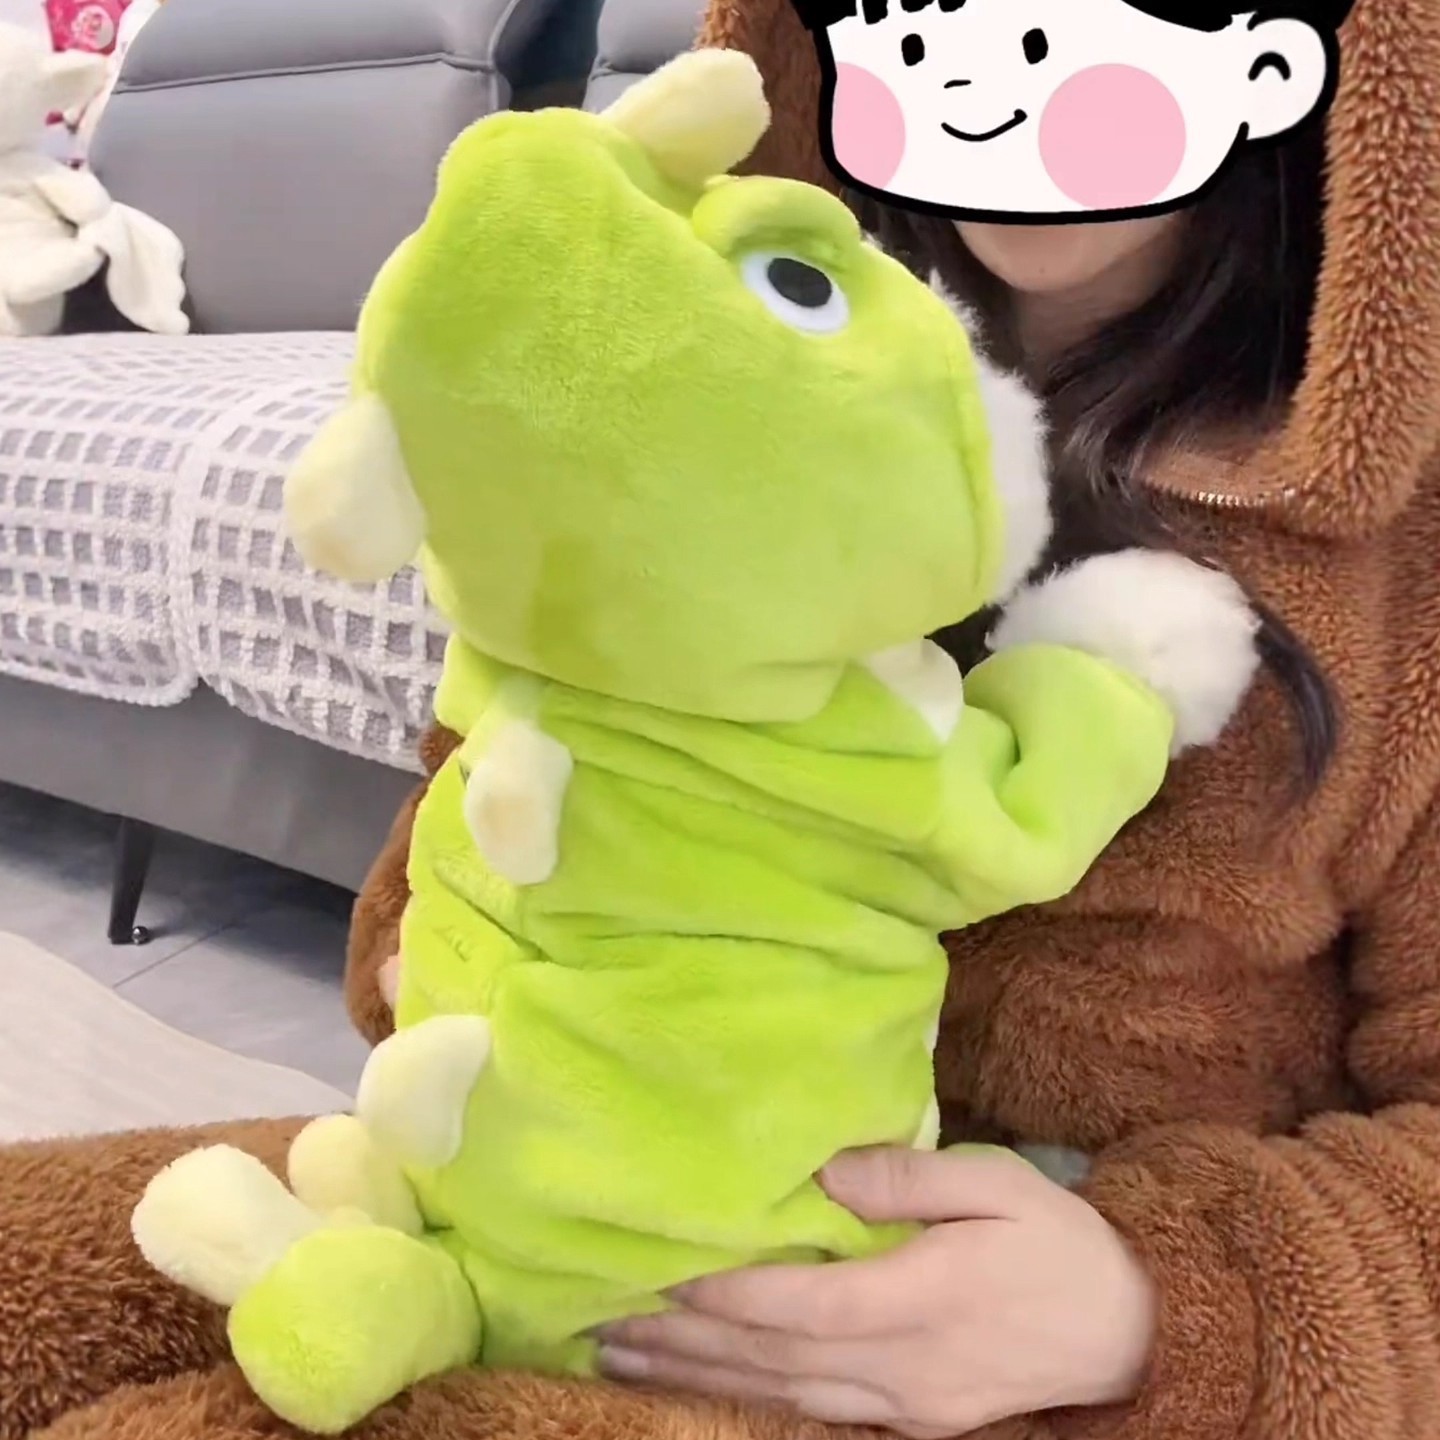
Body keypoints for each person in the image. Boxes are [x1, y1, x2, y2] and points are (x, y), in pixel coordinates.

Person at [4, 1, 1440, 1438]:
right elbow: (498, 761)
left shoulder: (1394, 560)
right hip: (534, 1201)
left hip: (1017, 1356)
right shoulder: (702, 358)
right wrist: (454, 952)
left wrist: (1164, 1308)